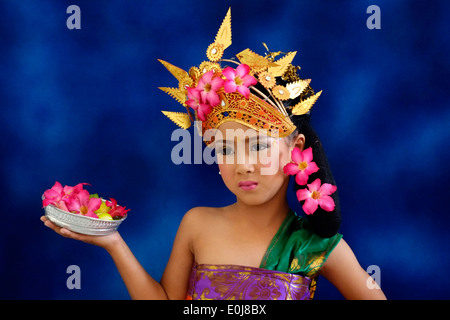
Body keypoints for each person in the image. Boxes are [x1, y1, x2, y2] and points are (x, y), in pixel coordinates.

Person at [41, 8, 386, 300]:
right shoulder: (198, 224)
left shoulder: (315, 245)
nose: (242, 164)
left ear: (294, 151)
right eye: (225, 149)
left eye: (260, 145)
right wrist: (114, 243)